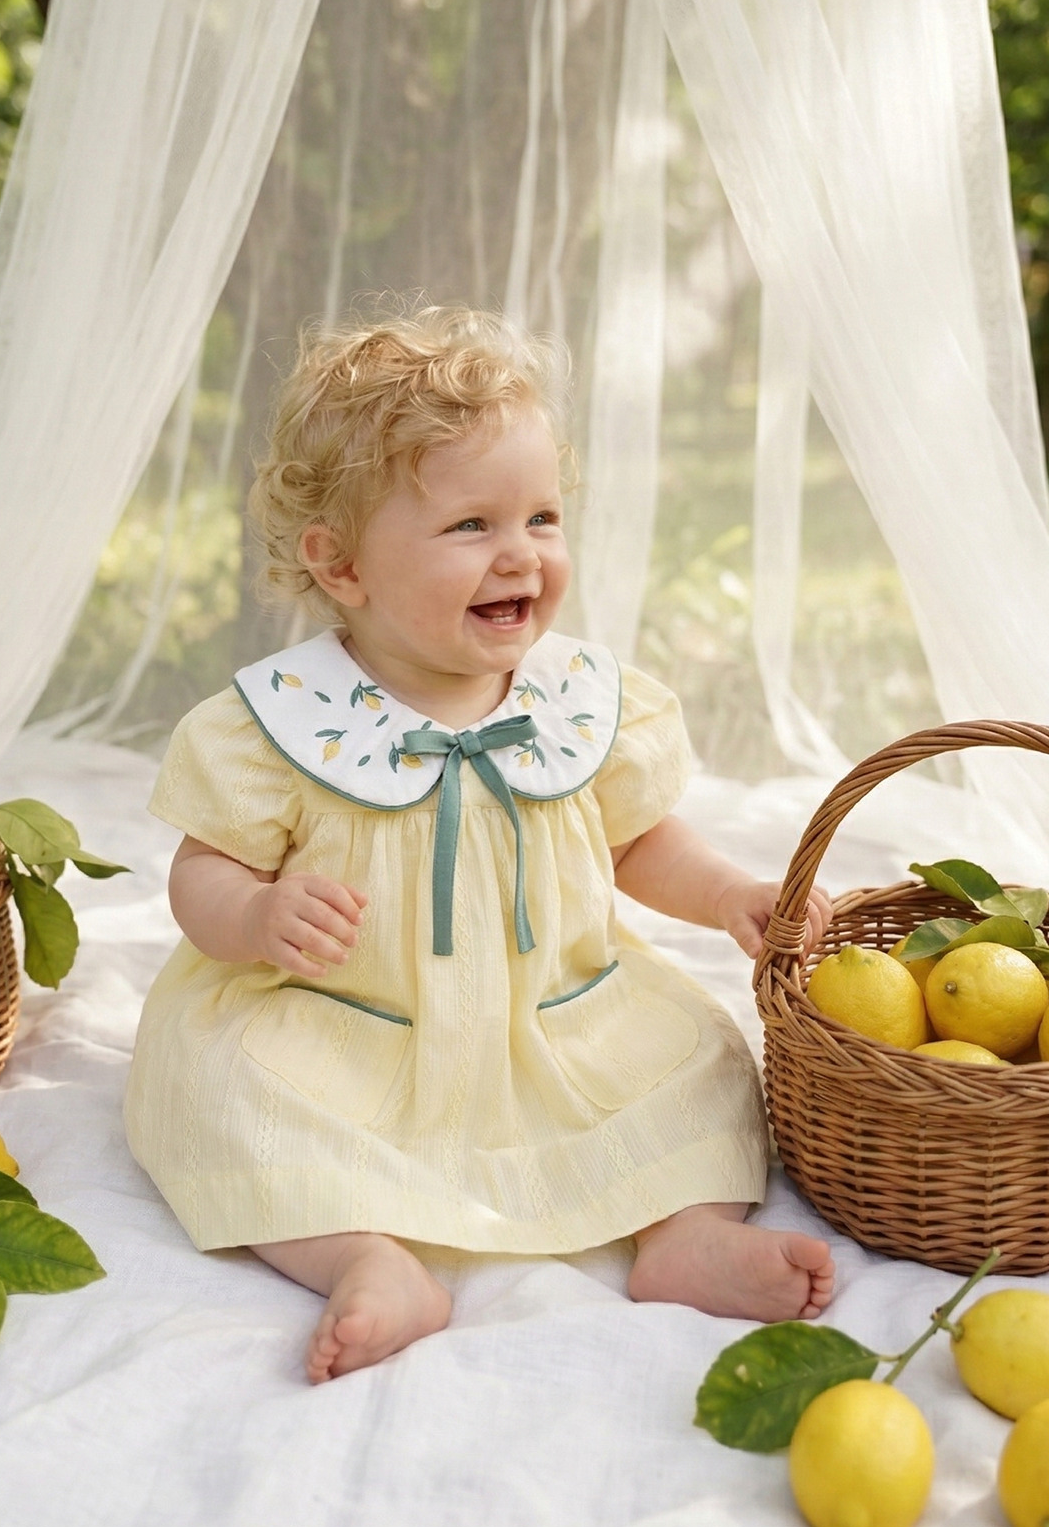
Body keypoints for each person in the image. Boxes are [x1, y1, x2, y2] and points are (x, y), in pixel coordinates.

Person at [124, 306, 835, 1383]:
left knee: (697, 1066)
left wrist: (732, 892)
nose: (522, 556)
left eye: (543, 518)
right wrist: (257, 917)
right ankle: (371, 1257)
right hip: (352, 1024)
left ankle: (681, 1232)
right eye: (471, 528)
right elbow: (203, 870)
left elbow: (637, 840)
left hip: (555, 1010)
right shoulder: (285, 720)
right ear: (342, 564)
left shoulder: (579, 700)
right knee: (225, 1097)